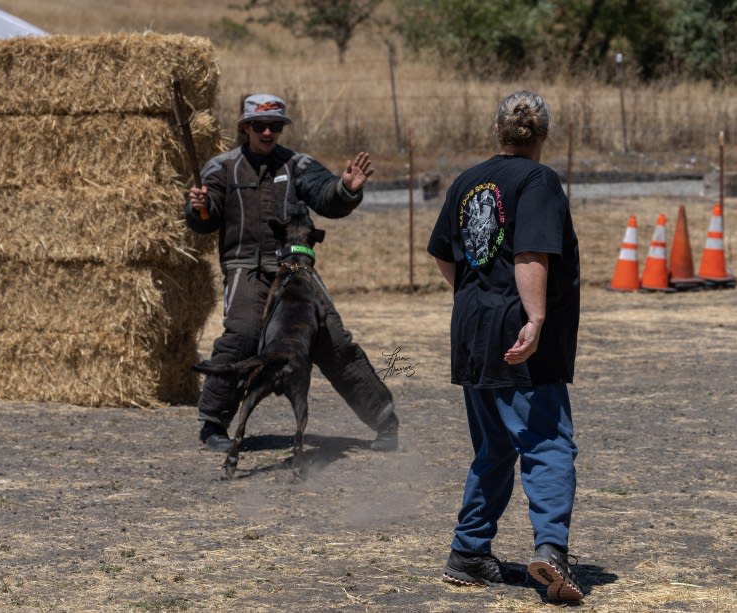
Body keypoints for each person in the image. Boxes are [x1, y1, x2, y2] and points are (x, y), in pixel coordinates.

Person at [426, 91, 584, 602]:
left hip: (472, 328)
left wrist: (477, 296)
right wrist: (534, 318)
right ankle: (552, 551)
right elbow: (529, 253)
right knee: (547, 442)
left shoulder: (469, 180)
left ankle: (469, 553)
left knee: (494, 446)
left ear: (498, 131)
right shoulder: (538, 180)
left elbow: (444, 255)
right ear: (543, 135)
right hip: (516, 330)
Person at [184, 93, 399, 454]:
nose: (268, 132)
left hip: (296, 268)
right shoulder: (220, 168)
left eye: (275, 126)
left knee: (333, 339)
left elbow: (326, 196)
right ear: (245, 128)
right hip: (245, 268)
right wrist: (200, 208)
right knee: (244, 334)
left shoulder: (298, 165)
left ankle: (384, 420)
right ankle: (213, 422)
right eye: (259, 126)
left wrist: (346, 189)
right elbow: (205, 219)